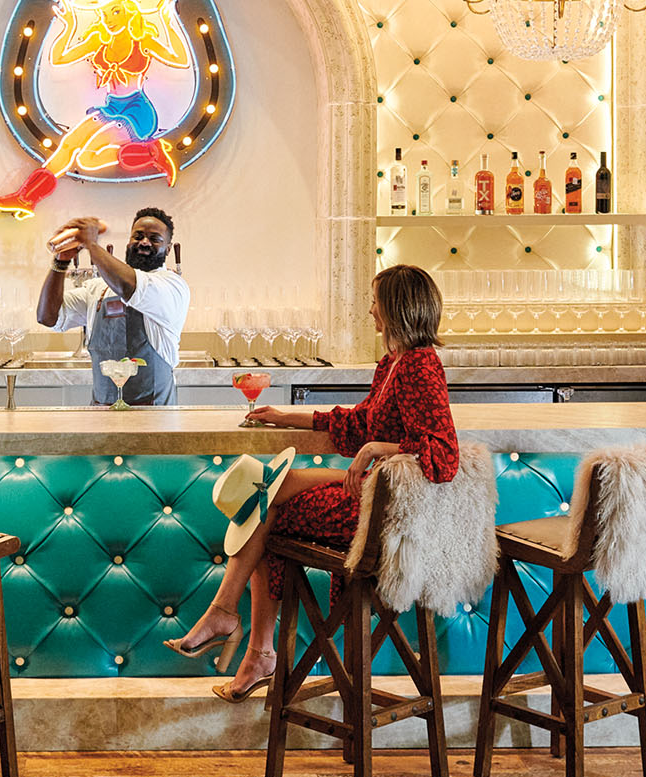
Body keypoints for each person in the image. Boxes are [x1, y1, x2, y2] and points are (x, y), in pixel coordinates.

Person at [162, 265, 459, 700]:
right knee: (267, 496)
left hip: (394, 513)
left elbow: (444, 457)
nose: (370, 309)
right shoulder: (393, 364)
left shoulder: (419, 366)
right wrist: (287, 416)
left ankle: (241, 631)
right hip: (378, 494)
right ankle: (242, 634)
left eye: (375, 300)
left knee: (268, 508)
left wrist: (379, 449)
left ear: (396, 308)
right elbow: (357, 424)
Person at [36, 208, 189, 406]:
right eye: (138, 236)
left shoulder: (171, 285)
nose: (144, 242)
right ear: (128, 242)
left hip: (154, 420)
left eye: (155, 238)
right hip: (102, 418)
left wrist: (90, 244)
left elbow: (128, 286)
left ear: (168, 249)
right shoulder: (98, 288)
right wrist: (61, 261)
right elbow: (48, 317)